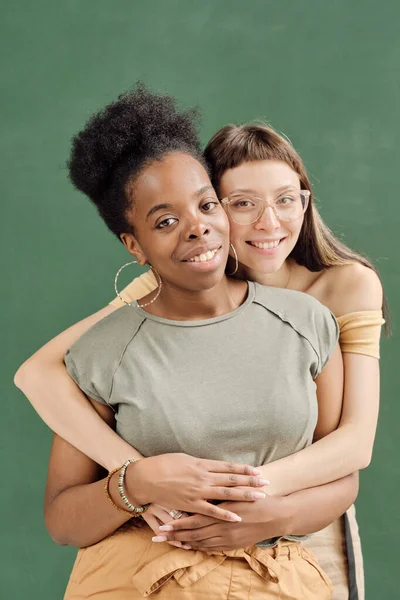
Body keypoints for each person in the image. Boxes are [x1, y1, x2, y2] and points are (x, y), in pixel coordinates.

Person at [13, 86, 381, 599]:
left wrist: (248, 502)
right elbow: (39, 376)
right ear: (135, 245)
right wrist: (138, 480)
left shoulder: (322, 310)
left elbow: (351, 449)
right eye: (242, 204)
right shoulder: (127, 326)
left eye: (285, 200)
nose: (267, 223)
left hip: (290, 541)